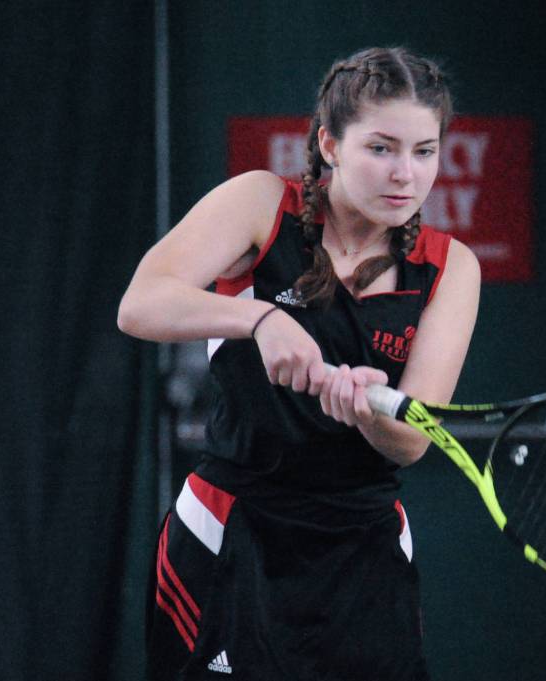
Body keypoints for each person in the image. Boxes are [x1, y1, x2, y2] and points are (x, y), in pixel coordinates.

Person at [118, 46, 480, 681]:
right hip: (234, 530)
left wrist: (368, 411)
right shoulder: (261, 203)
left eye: (424, 151)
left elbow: (412, 442)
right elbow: (141, 303)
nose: (405, 173)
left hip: (364, 552)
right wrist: (260, 319)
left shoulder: (451, 267)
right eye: (382, 148)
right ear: (330, 145)